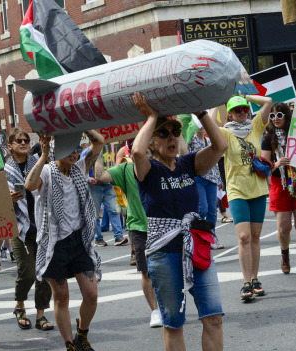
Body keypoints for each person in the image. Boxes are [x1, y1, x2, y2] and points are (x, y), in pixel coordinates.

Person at [131, 92, 227, 351]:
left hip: (197, 247)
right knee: (174, 323)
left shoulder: (187, 164)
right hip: (164, 254)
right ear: (152, 142)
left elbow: (220, 146)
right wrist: (151, 116)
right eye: (163, 134)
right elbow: (136, 150)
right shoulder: (147, 170)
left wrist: (201, 113)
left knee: (214, 317)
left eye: (175, 132)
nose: (171, 137)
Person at [25, 130, 104, 351]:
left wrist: (81, 124)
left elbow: (99, 142)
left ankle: (82, 334)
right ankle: (70, 344)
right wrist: (43, 155)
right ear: (57, 150)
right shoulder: (48, 172)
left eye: (77, 148)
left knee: (91, 294)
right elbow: (29, 186)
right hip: (54, 243)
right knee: (62, 296)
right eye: (69, 148)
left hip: (79, 241)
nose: (76, 152)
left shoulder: (79, 169)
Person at [95, 146, 162, 328]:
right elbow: (100, 176)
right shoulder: (124, 169)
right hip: (138, 228)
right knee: (146, 272)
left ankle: (167, 306)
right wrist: (97, 148)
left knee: (166, 271)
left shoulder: (160, 164)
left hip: (163, 226)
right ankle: (155, 310)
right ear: (131, 153)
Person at [220, 94, 272, 300]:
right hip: (236, 191)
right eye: (237, 110)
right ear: (230, 114)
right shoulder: (224, 133)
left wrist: (243, 95)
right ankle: (246, 283)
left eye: (244, 109)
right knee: (244, 237)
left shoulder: (255, 126)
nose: (242, 112)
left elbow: (267, 102)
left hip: (257, 189)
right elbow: (207, 128)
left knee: (256, 237)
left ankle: (255, 278)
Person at [4, 129, 53, 331]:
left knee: (44, 271)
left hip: (42, 224)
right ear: (10, 146)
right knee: (28, 273)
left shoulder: (39, 163)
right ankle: (20, 305)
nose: (23, 143)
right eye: (19, 140)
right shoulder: (3, 170)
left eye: (26, 140)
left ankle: (41, 314)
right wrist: (7, 199)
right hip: (19, 226)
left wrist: (45, 153)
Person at [262, 102, 296, 277]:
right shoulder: (268, 136)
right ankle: (285, 255)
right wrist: (277, 164)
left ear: (286, 116)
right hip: (280, 184)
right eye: (272, 115)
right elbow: (264, 165)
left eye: (279, 115)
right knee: (283, 228)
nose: (275, 119)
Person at [188, 124, 224, 250]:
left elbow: (215, 160)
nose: (201, 127)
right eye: (198, 125)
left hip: (212, 179)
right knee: (202, 209)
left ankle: (211, 236)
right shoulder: (191, 139)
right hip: (199, 178)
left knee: (212, 211)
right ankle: (197, 234)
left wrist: (219, 179)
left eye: (203, 125)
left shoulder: (209, 141)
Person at [84, 146, 128, 247]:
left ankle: (119, 236)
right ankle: (98, 238)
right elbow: (81, 170)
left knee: (114, 210)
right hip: (94, 186)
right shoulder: (87, 152)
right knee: (95, 214)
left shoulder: (111, 149)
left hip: (108, 185)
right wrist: (88, 179)